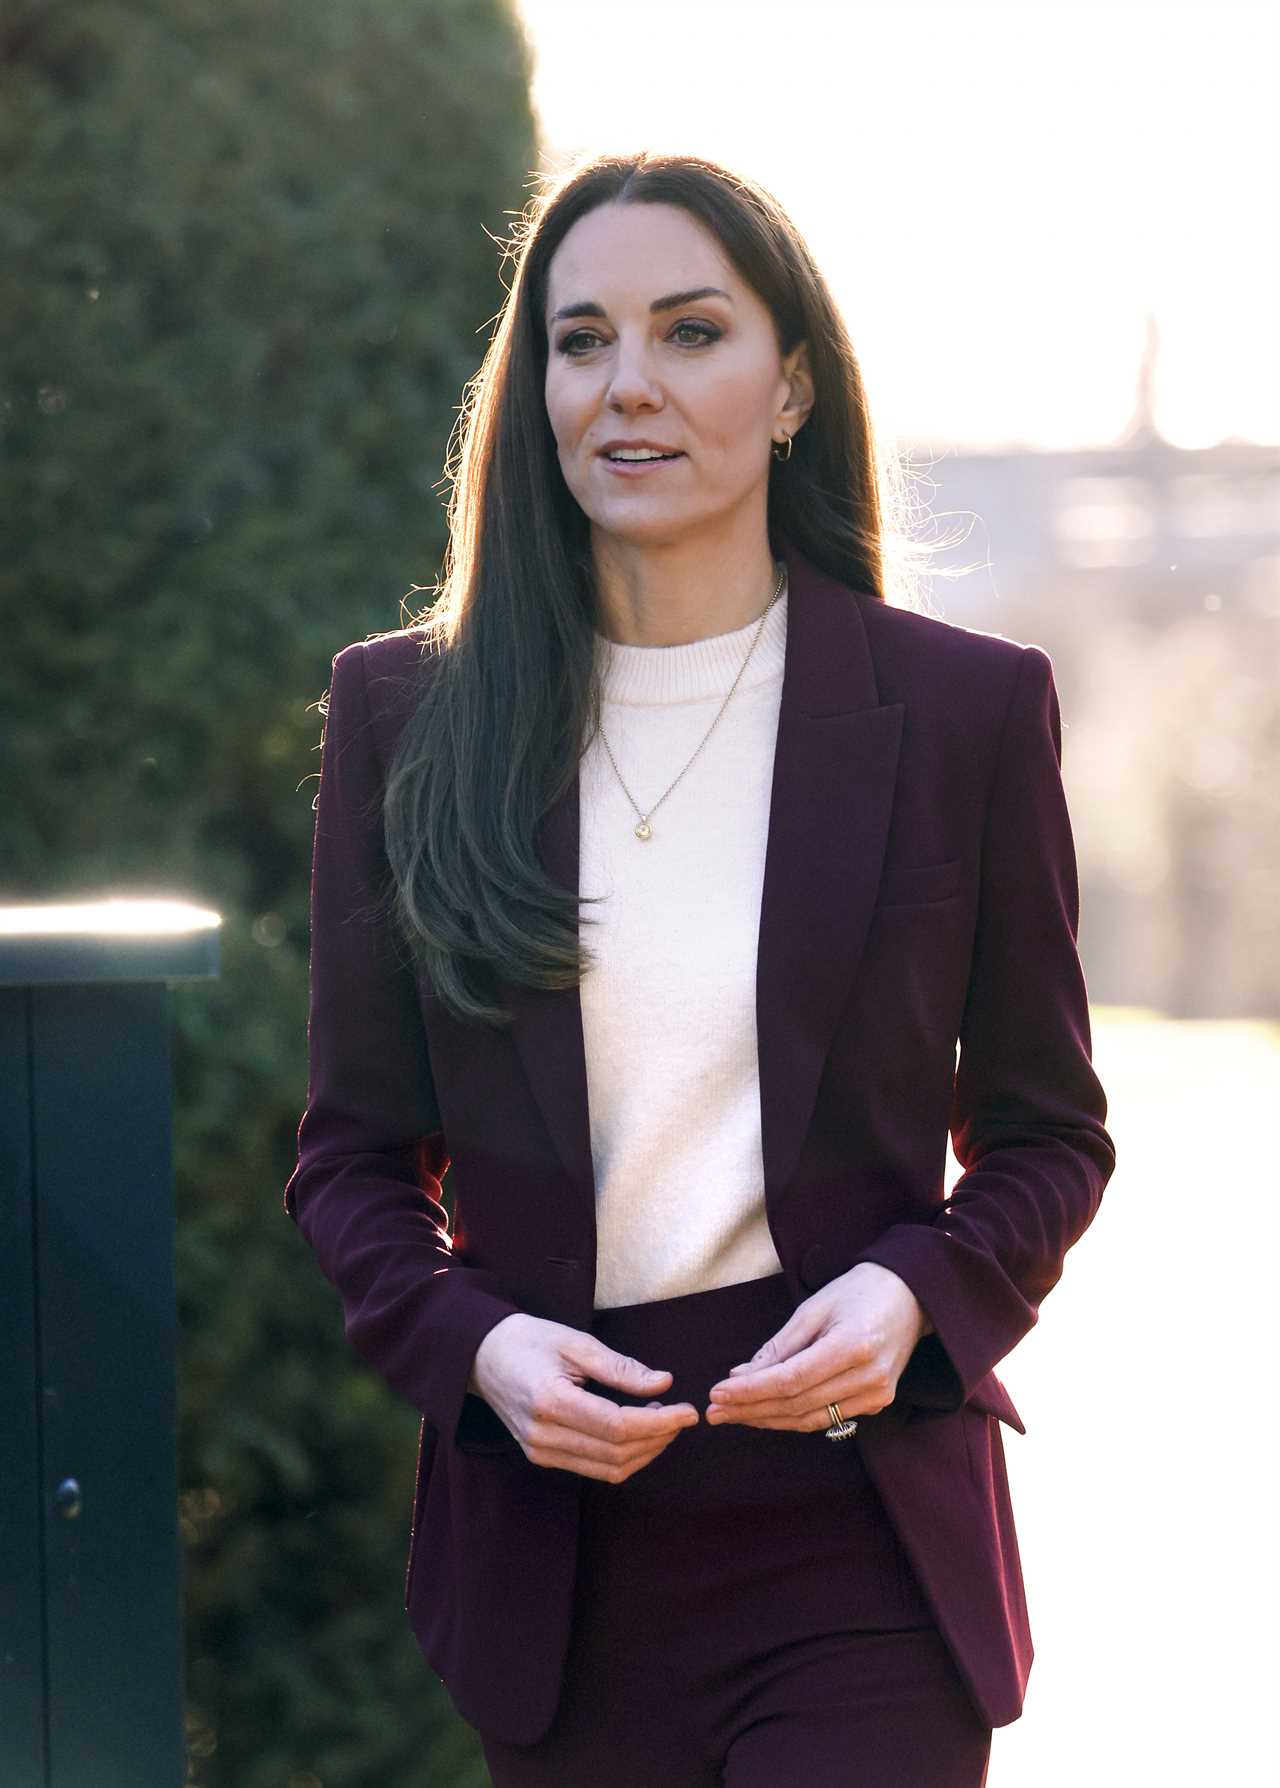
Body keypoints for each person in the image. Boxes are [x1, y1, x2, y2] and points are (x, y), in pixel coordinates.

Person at [285, 150, 1116, 1788]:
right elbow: (353, 1164)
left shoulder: (962, 713)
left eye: (691, 331)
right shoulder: (410, 723)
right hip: (559, 1556)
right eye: (580, 341)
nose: (628, 386)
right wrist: (479, 1349)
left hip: (861, 1536)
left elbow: (1047, 1137)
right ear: (534, 393)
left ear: (792, 382)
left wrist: (912, 1295)